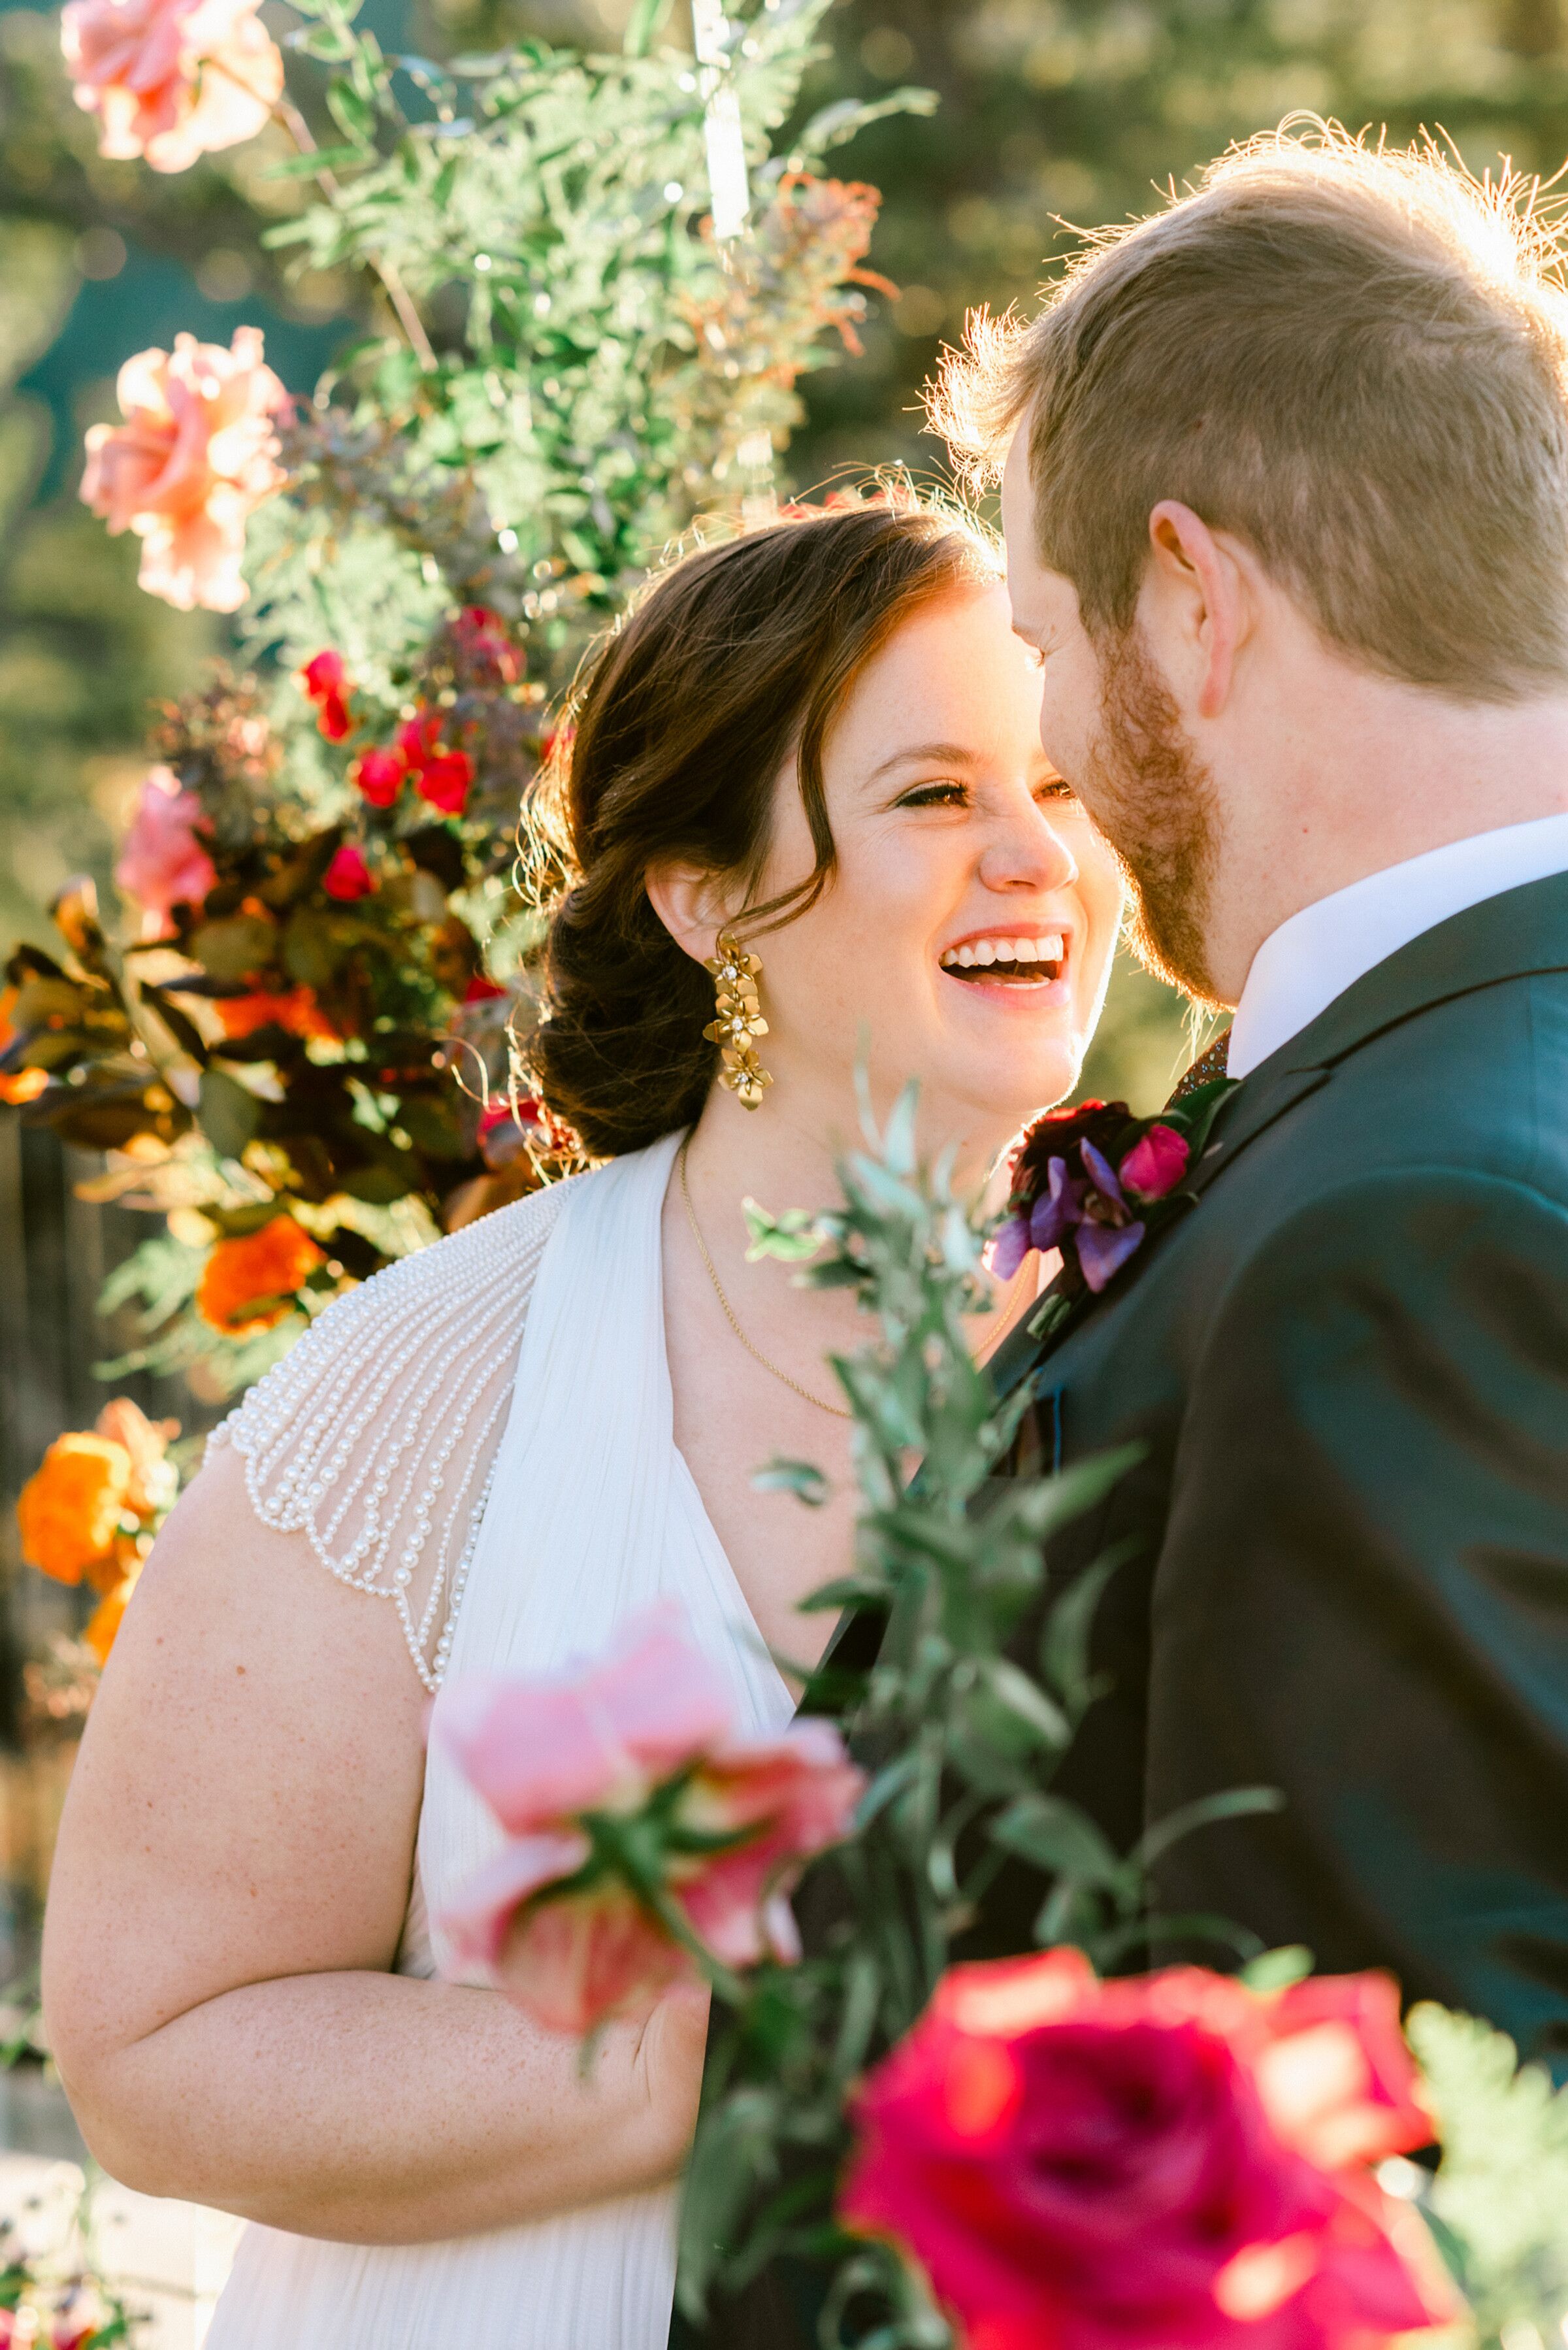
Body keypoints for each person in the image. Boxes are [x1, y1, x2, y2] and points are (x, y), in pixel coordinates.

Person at [39, 491, 1125, 2349]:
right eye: (938, 796)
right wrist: (714, 2056)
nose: (1036, 856)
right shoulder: (431, 1386)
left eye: (1064, 786)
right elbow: (152, 2047)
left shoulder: (1173, 1325)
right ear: (708, 901)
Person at [935, 124, 1568, 2060]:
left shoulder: (1407, 1221)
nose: (1046, 743)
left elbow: (1372, 2150)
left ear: (1195, 599)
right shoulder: (1422, 1098)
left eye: (1043, 640)